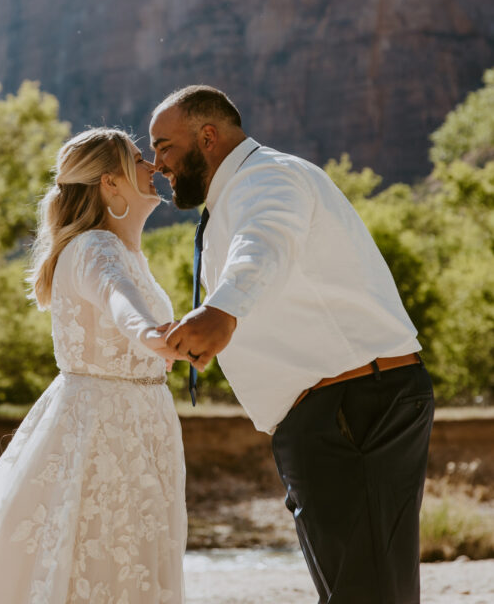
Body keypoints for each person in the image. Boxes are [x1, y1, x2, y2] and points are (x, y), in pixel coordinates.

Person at [149, 86, 434, 604]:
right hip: (333, 412)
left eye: (164, 146)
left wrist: (222, 310)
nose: (156, 163)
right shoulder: (236, 195)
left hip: (353, 408)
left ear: (207, 136)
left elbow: (265, 241)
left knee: (366, 593)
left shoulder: (267, 177)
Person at [0, 128, 186, 604]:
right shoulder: (95, 248)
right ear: (110, 183)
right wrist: (152, 337)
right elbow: (119, 302)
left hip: (138, 424)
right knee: (100, 562)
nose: (153, 167)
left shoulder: (127, 252)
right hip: (105, 432)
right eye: (138, 159)